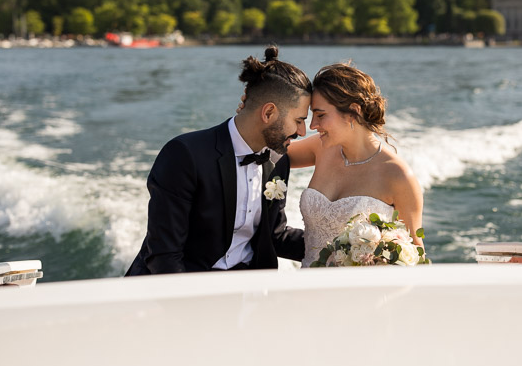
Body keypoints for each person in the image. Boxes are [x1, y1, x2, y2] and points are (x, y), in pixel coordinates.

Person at [125, 46, 310, 275]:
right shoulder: (184, 155)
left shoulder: (277, 160)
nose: (302, 131)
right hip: (182, 286)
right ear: (268, 113)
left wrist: (340, 247)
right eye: (299, 120)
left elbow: (275, 235)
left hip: (249, 288)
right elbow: (165, 255)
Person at [288, 62, 423, 267]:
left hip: (362, 294)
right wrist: (252, 115)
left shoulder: (398, 175)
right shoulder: (320, 147)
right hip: (308, 286)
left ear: (353, 112)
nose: (313, 125)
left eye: (321, 115)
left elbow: (415, 256)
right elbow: (265, 152)